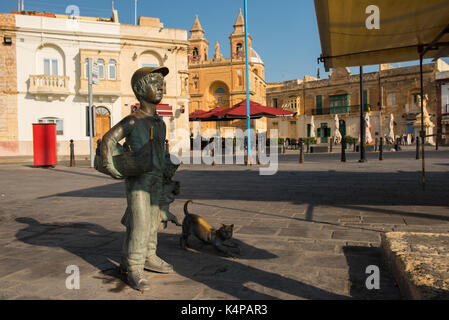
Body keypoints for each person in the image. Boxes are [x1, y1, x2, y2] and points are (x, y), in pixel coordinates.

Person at [100, 66, 175, 291]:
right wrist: (112, 167)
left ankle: (149, 255)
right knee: (140, 223)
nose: (161, 87)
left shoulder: (159, 123)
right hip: (139, 181)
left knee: (154, 221)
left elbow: (160, 151)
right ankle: (131, 265)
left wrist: (167, 171)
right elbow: (107, 140)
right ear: (140, 90)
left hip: (156, 179)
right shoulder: (133, 120)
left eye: (162, 83)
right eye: (155, 83)